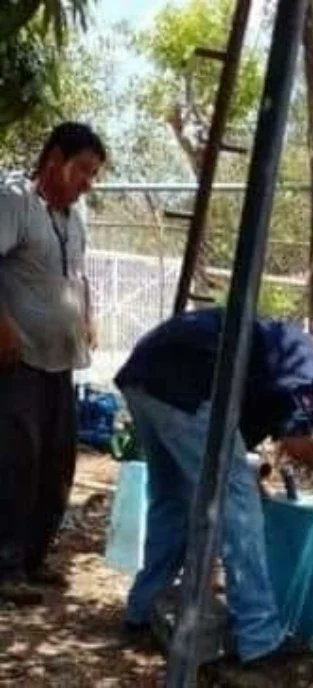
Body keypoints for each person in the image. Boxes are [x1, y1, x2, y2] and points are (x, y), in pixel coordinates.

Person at [114, 308, 313, 665]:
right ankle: (259, 636)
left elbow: (247, 431)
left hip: (145, 375)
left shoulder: (275, 345)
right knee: (239, 510)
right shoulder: (306, 357)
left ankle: (142, 610)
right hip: (187, 388)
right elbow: (297, 442)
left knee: (172, 502)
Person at [0, 122, 105, 605]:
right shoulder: (16, 200)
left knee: (58, 463)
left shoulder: (73, 218)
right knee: (17, 460)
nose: (88, 182)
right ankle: (6, 565)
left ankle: (33, 559)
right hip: (17, 359)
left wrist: (87, 317)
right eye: (83, 169)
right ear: (54, 159)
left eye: (93, 174)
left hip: (60, 362)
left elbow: (78, 276)